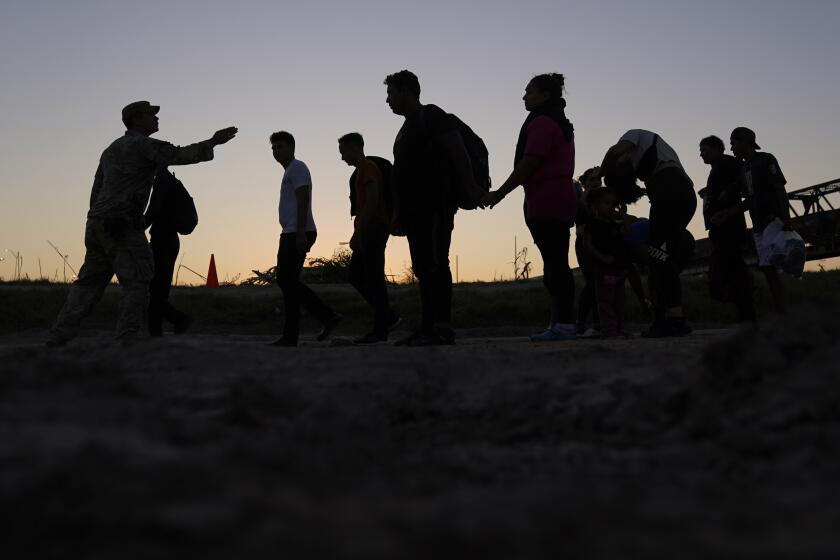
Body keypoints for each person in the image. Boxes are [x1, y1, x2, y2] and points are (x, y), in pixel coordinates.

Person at [46, 101, 237, 346]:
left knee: (88, 284)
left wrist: (98, 218)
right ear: (137, 119)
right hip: (121, 225)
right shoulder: (143, 145)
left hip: (97, 223)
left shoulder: (110, 150)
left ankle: (58, 335)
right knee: (138, 281)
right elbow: (179, 155)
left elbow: (96, 190)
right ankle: (126, 338)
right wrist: (212, 142)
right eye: (151, 115)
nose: (157, 119)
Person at [384, 69, 484, 346]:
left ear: (406, 91)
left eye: (391, 93)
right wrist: (398, 213)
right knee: (423, 266)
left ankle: (440, 327)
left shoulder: (432, 115)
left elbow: (457, 152)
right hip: (414, 210)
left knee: (436, 263)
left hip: (435, 204)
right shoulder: (406, 128)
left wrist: (471, 187)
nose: (388, 100)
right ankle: (428, 326)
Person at [484, 73, 577, 341]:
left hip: (548, 197)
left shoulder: (542, 123)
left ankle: (565, 325)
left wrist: (500, 193)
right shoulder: (555, 122)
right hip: (551, 196)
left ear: (545, 96)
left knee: (556, 263)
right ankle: (558, 323)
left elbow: (529, 163)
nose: (524, 96)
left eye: (529, 91)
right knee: (555, 261)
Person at [599, 129, 696, 337]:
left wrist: (601, 173)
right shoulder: (649, 161)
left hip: (669, 189)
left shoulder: (635, 135)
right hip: (684, 194)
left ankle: (673, 319)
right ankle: (667, 318)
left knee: (658, 257)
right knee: (661, 257)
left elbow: (613, 152)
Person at [269, 131, 342, 347]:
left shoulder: (298, 167)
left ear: (291, 147)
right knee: (289, 282)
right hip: (292, 231)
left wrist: (300, 232)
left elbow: (303, 199)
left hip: (298, 231)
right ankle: (291, 334)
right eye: (273, 148)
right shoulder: (290, 171)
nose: (275, 151)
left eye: (279, 147)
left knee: (286, 279)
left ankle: (327, 315)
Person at [338, 132, 400, 343]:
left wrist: (358, 232)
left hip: (374, 229)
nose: (342, 157)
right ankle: (388, 316)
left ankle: (380, 330)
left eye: (343, 152)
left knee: (374, 278)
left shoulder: (367, 169)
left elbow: (372, 201)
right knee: (357, 275)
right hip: (369, 229)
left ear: (354, 148)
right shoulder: (359, 172)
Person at [721, 127, 790, 314]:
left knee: (773, 269)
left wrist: (786, 218)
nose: (732, 148)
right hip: (758, 224)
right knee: (767, 269)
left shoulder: (766, 159)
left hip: (772, 220)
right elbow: (750, 200)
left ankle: (784, 314)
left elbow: (779, 188)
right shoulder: (744, 168)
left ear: (745, 142)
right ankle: (782, 314)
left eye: (733, 143)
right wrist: (729, 212)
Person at [698, 135, 755, 322]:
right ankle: (746, 314)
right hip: (721, 227)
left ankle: (747, 313)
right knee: (731, 271)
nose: (701, 154)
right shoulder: (719, 167)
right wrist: (710, 193)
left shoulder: (727, 163)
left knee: (729, 271)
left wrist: (727, 196)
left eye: (704, 149)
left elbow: (743, 182)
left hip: (728, 227)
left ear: (716, 148)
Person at [144, 168, 194, 336]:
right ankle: (156, 329)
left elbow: (153, 210)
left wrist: (136, 227)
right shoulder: (170, 181)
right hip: (168, 240)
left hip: (163, 241)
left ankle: (177, 319)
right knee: (159, 288)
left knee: (151, 286)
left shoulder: (162, 181)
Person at [584, 188, 633, 338]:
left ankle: (618, 327)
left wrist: (624, 217)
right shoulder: (592, 224)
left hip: (619, 268)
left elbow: (627, 234)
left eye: (613, 203)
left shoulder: (614, 223)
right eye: (606, 203)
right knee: (606, 301)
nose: (611, 206)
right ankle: (609, 330)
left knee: (619, 300)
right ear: (595, 206)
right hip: (604, 269)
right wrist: (602, 257)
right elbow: (587, 245)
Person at [574, 166, 602, 337]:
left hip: (601, 243)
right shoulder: (581, 201)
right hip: (584, 244)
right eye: (593, 180)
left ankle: (600, 322)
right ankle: (581, 322)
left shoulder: (605, 200)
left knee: (600, 282)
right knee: (592, 282)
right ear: (584, 183)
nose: (597, 183)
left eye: (599, 180)